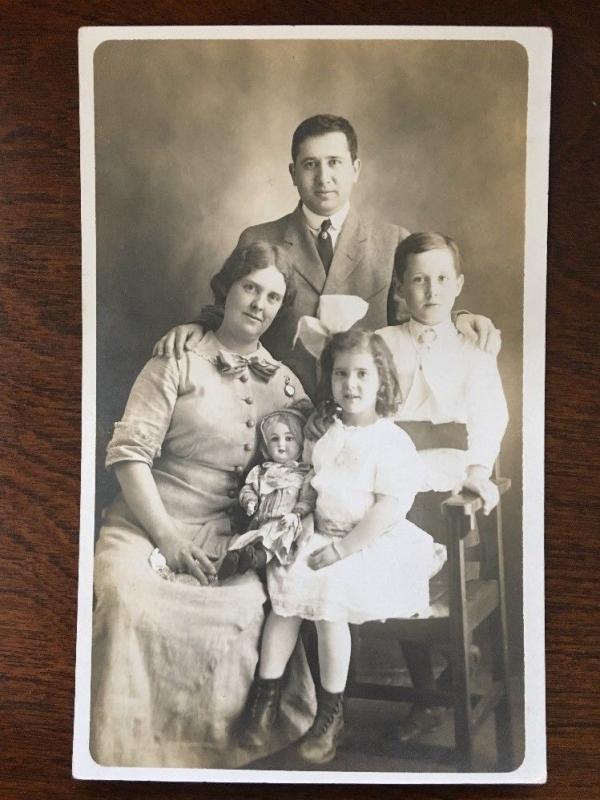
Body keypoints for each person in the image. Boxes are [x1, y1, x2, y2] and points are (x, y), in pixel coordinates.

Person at [91, 241, 317, 768]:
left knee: (243, 609)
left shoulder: (285, 384)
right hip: (149, 520)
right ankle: (127, 755)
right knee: (126, 597)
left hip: (228, 532)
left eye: (273, 296)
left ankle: (220, 755)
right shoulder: (176, 360)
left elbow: (317, 455)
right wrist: (167, 538)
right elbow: (129, 456)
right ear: (227, 288)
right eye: (250, 287)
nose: (259, 303)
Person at [153, 114, 500, 396]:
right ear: (293, 173)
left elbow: (418, 323)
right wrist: (194, 327)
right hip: (278, 416)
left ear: (355, 169)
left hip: (364, 415)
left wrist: (458, 319)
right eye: (310, 165)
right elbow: (228, 316)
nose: (324, 178)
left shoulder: (392, 240)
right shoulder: (260, 238)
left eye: (334, 162)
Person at [237, 327, 446, 765]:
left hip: (371, 544)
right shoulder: (325, 435)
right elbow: (316, 490)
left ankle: (330, 715)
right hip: (323, 531)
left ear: (381, 381)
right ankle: (265, 699)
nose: (350, 385)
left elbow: (388, 509)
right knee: (284, 598)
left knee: (329, 604)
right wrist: (300, 532)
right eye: (340, 374)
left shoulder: (390, 441)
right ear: (330, 381)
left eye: (362, 375)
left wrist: (344, 548)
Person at [376, 231, 509, 743]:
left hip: (449, 482)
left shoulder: (473, 351)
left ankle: (457, 657)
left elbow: (490, 418)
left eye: (440, 280)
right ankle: (426, 691)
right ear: (400, 289)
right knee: (384, 548)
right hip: (393, 474)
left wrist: (478, 471)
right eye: (418, 281)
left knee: (432, 537)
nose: (430, 291)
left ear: (457, 286)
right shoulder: (384, 344)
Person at [218, 408, 316, 581]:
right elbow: (249, 489)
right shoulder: (261, 471)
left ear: (300, 443)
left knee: (273, 542)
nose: (281, 444)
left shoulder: (302, 474)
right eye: (274, 439)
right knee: (248, 538)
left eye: (289, 438)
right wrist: (250, 500)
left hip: (284, 522)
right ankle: (236, 559)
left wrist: (296, 514)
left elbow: (308, 498)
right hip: (261, 521)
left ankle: (255, 560)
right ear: (266, 446)